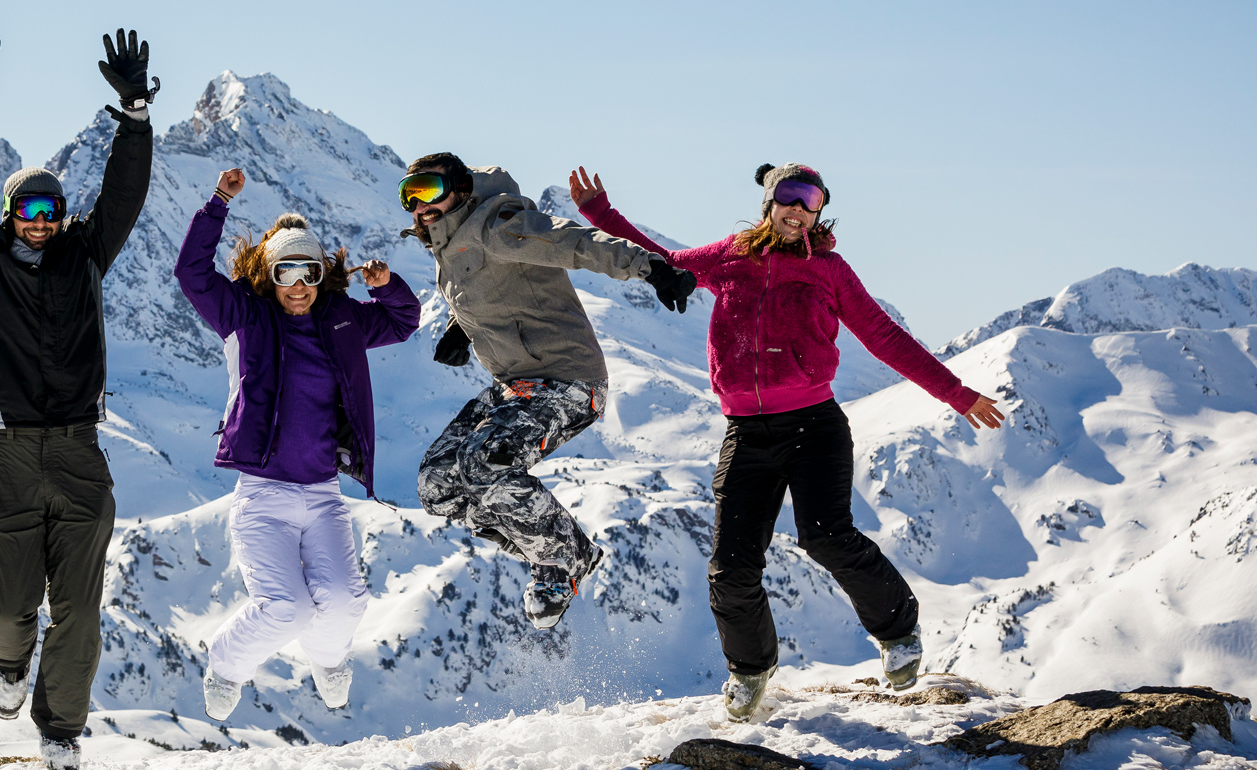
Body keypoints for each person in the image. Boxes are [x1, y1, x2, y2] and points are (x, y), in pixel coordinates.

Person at [568, 162, 1007, 721]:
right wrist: (601, 215)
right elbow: (663, 265)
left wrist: (956, 393)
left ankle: (900, 633)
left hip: (814, 425)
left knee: (826, 535)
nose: (799, 209)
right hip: (746, 432)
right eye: (790, 197)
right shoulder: (730, 257)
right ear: (770, 200)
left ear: (819, 211)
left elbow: (884, 336)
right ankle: (751, 673)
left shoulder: (829, 269)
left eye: (811, 201)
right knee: (731, 565)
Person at [0, 16, 157, 769]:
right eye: (28, 211)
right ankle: (7, 664)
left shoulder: (85, 258)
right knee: (6, 609)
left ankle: (60, 732)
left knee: (82, 613)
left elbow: (123, 195)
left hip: (78, 453)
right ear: (7, 217)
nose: (41, 223)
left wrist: (135, 116)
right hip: (4, 454)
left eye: (52, 210)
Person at [403, 153, 698, 629]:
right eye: (409, 196)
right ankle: (549, 549)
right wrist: (463, 327)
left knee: (487, 464)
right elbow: (495, 286)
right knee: (437, 485)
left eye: (429, 190)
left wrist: (650, 267)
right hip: (515, 384)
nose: (420, 206)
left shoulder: (497, 224)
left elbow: (574, 243)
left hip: (568, 380)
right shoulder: (449, 244)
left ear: (458, 187)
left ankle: (564, 558)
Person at [175, 168, 421, 720]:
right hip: (263, 497)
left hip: (323, 494)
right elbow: (192, 274)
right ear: (270, 274)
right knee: (285, 608)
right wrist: (217, 202)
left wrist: (386, 287)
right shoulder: (246, 314)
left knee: (346, 601)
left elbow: (404, 321)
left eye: (308, 270)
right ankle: (227, 665)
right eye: (285, 270)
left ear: (319, 274)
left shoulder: (342, 320)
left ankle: (328, 660)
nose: (299, 282)